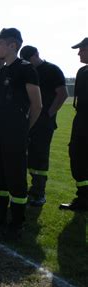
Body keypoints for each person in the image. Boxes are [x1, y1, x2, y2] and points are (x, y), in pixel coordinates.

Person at [0, 28, 42, 240]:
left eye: (0, 43)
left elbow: (37, 105)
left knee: (15, 179)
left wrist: (24, 129)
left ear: (13, 45)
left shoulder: (26, 69)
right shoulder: (3, 71)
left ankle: (16, 222)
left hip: (15, 134)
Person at [20, 45, 68, 206]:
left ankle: (39, 192)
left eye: (30, 59)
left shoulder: (52, 70)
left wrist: (48, 113)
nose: (28, 63)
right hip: (28, 120)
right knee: (29, 156)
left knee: (40, 156)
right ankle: (32, 190)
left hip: (44, 122)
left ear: (36, 54)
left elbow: (62, 94)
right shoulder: (28, 71)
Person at [59, 37, 88, 211]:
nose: (79, 52)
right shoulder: (82, 72)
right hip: (81, 120)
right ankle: (83, 198)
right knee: (77, 156)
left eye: (82, 49)